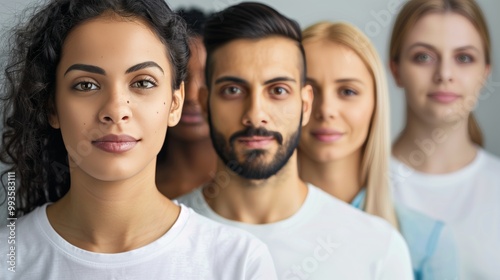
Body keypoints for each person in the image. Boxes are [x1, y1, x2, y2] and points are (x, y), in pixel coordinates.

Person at [0, 0, 277, 279]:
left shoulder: (239, 263)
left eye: (143, 82)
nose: (116, 110)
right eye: (86, 85)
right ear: (51, 106)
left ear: (175, 104)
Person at [177, 2, 413, 279]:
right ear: (205, 103)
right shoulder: (158, 237)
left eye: (278, 90)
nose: (255, 115)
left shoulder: (378, 247)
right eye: (233, 90)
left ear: (305, 105)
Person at [297, 21, 458, 279]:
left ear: (376, 102)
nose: (326, 109)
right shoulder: (244, 234)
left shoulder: (426, 243)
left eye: (348, 91)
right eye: (309, 90)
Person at [388, 0, 500, 278]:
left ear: (485, 72)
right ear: (396, 69)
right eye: (423, 57)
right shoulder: (356, 185)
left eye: (463, 58)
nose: (444, 75)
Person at [156, 8, 217, 199]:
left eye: (207, 77)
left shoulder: (252, 185)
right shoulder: (128, 189)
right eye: (180, 77)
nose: (190, 96)